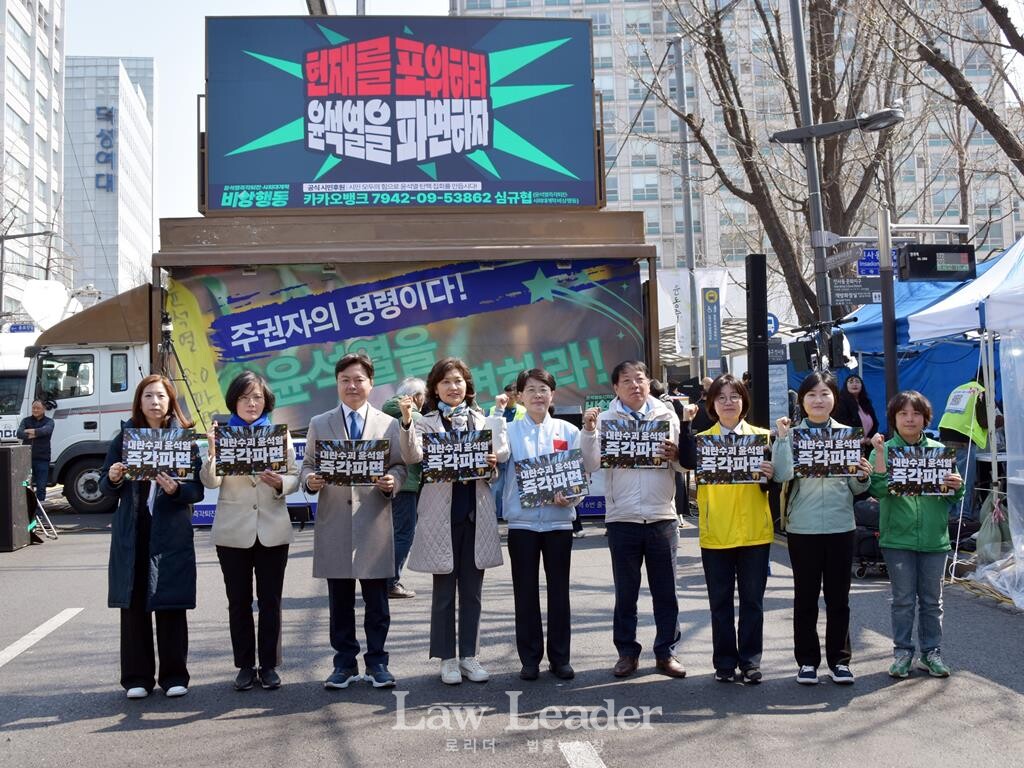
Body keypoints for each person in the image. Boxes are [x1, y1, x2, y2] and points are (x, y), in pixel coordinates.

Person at [399, 357, 507, 685]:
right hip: (439, 516)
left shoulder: (481, 419)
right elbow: (412, 456)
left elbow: (495, 464)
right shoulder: (425, 421)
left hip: (476, 514)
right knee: (444, 590)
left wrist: (491, 464)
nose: (453, 387)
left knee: (473, 591)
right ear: (435, 387)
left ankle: (470, 657)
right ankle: (446, 658)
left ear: (468, 386)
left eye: (458, 381)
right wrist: (406, 421)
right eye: (446, 381)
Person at [302, 353, 407, 690]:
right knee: (340, 603)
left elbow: (399, 465)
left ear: (371, 384)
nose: (352, 386)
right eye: (345, 379)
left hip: (373, 520)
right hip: (335, 523)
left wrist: (394, 481)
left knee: (377, 602)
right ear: (337, 383)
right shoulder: (320, 422)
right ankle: (344, 664)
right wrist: (311, 481)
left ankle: (378, 662)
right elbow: (307, 465)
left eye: (359, 379)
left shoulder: (388, 424)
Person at [100, 375, 204, 700]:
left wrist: (177, 489)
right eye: (148, 396)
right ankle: (136, 678)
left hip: (170, 530)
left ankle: (175, 675)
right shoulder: (123, 438)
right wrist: (114, 477)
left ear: (171, 401)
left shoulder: (183, 441)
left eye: (161, 396)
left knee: (170, 601)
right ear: (139, 402)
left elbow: (196, 490)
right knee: (133, 604)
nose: (155, 402)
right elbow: (105, 485)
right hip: (134, 529)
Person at [581, 360, 686, 679]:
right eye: (626, 380)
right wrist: (588, 432)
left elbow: (683, 466)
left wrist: (677, 456)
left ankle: (666, 652)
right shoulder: (606, 420)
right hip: (622, 517)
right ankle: (627, 653)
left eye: (640, 379)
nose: (634, 385)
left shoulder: (667, 415)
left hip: (662, 517)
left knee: (666, 591)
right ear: (615, 388)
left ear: (649, 382)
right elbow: (591, 464)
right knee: (626, 592)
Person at [772, 371, 873, 685]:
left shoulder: (847, 435)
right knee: (805, 597)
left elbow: (857, 490)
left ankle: (840, 661)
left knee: (838, 598)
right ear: (802, 400)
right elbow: (782, 475)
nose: (818, 400)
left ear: (834, 398)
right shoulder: (791, 434)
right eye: (812, 394)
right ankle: (807, 661)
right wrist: (784, 440)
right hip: (803, 528)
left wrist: (862, 476)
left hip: (842, 526)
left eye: (825, 394)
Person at [201, 371, 299, 692]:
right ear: (234, 401)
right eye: (245, 397)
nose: (251, 403)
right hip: (233, 531)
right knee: (238, 601)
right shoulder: (223, 434)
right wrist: (213, 452)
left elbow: (295, 476)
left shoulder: (277, 435)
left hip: (272, 528)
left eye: (257, 397)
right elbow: (210, 482)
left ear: (266, 400)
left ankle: (269, 665)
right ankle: (245, 665)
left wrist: (280, 483)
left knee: (271, 601)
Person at [678, 373, 775, 684]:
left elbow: (771, 486)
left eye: (735, 396)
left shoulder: (763, 438)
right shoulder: (702, 441)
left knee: (752, 603)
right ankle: (723, 662)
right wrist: (684, 425)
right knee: (719, 603)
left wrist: (769, 476)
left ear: (744, 401)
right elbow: (687, 461)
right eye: (722, 397)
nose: (729, 402)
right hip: (716, 533)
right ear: (712, 404)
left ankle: (750, 662)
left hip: (754, 533)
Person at [870, 391, 964, 679]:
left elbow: (954, 495)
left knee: (933, 601)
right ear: (894, 419)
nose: (910, 419)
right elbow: (878, 490)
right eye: (903, 414)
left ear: (925, 418)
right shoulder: (881, 449)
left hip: (935, 539)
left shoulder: (938, 451)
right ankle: (902, 653)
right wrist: (883, 455)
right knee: (903, 600)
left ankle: (931, 652)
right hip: (897, 539)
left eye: (916, 414)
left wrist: (957, 485)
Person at [502, 368, 581, 681]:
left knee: (559, 592)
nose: (537, 395)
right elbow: (497, 469)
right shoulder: (508, 432)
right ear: (519, 396)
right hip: (522, 524)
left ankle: (560, 658)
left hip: (559, 524)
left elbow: (579, 476)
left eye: (543, 389)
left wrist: (571, 497)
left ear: (553, 395)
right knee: (525, 592)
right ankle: (530, 659)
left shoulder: (567, 431)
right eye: (530, 389)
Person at [382, 376, 427, 599]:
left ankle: (381, 580)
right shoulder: (415, 416)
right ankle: (391, 582)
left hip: (384, 481)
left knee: (387, 534)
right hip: (407, 482)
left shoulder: (383, 413)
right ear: (416, 397)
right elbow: (418, 453)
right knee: (404, 535)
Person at [938, 370, 998, 520]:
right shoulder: (981, 391)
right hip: (963, 439)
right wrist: (1003, 420)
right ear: (990, 379)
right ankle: (963, 519)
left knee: (948, 479)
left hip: (944, 437)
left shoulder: (960, 388)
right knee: (964, 482)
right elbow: (985, 421)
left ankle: (948, 517)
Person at [18, 399, 54, 542]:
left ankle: (39, 515)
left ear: (43, 409)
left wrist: (33, 432)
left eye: (38, 408)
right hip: (26, 459)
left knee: (41, 487)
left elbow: (46, 431)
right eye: (34, 408)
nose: (35, 410)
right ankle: (28, 513)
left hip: (42, 459)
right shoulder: (26, 420)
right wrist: (34, 433)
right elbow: (19, 433)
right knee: (27, 487)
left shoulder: (50, 421)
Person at [489, 382, 526, 521]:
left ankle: (516, 517)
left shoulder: (524, 411)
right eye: (507, 396)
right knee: (496, 489)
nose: (509, 399)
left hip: (516, 455)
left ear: (518, 396)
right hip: (498, 455)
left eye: (512, 396)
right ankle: (493, 517)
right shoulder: (494, 410)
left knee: (516, 487)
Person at [833, 375, 879, 454]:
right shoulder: (840, 403)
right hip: (849, 447)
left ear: (862, 385)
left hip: (867, 446)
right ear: (845, 385)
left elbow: (875, 423)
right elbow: (841, 424)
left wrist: (869, 438)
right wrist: (859, 438)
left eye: (857, 382)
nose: (854, 384)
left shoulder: (866, 403)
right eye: (851, 382)